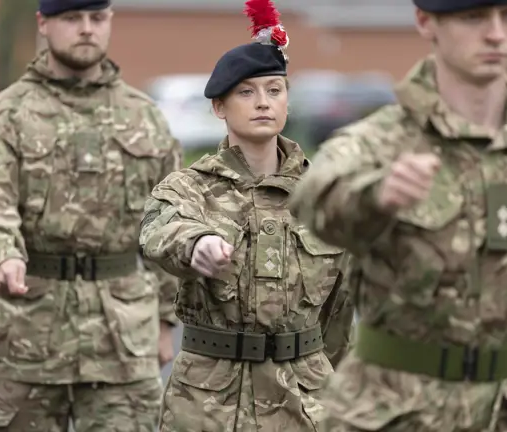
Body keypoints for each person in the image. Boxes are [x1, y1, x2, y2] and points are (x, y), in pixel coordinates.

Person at [290, 0, 507, 430]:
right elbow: (314, 200)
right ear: (426, 21)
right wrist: (376, 195)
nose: (494, 34)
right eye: (473, 18)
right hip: (399, 412)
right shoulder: (385, 140)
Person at [0, 0, 181, 430]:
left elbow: (168, 219)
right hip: (27, 330)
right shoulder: (5, 114)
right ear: (43, 24)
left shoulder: (144, 117)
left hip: (121, 337)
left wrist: (166, 319)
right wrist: (4, 252)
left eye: (96, 18)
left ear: (110, 22)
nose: (86, 29)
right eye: (71, 19)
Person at [138, 0, 356, 430]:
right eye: (247, 92)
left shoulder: (321, 194)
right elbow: (158, 231)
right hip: (209, 402)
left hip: (305, 399)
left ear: (288, 102)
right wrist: (197, 245)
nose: (263, 103)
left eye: (274, 91)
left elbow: (341, 310)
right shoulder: (189, 187)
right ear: (220, 107)